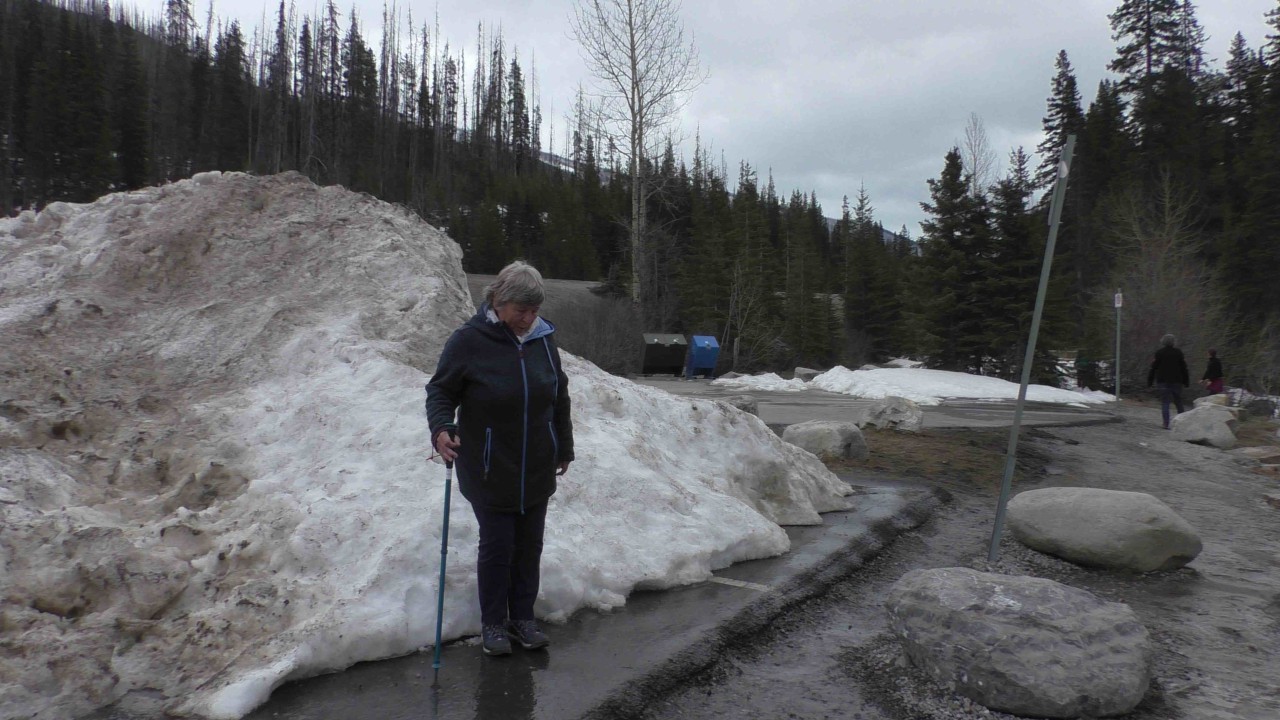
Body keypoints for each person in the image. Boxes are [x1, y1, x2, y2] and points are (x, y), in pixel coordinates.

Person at [425, 260, 574, 657]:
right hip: (490, 466)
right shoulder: (469, 341)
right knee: (498, 546)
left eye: (535, 310)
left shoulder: (543, 339)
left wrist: (564, 446)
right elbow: (440, 391)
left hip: (537, 463)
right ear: (498, 301)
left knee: (529, 546)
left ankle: (522, 617)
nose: (529, 318)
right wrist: (441, 428)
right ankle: (493, 622)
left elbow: (558, 395)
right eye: (521, 310)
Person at [1147, 333, 1189, 429]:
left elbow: (1153, 368)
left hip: (1163, 381)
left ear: (1163, 342)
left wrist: (1150, 381)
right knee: (1178, 401)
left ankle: (1166, 423)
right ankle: (1182, 422)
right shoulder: (1178, 353)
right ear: (1174, 342)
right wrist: (1186, 381)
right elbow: (1184, 368)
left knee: (1165, 402)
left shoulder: (1159, 353)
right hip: (1177, 381)